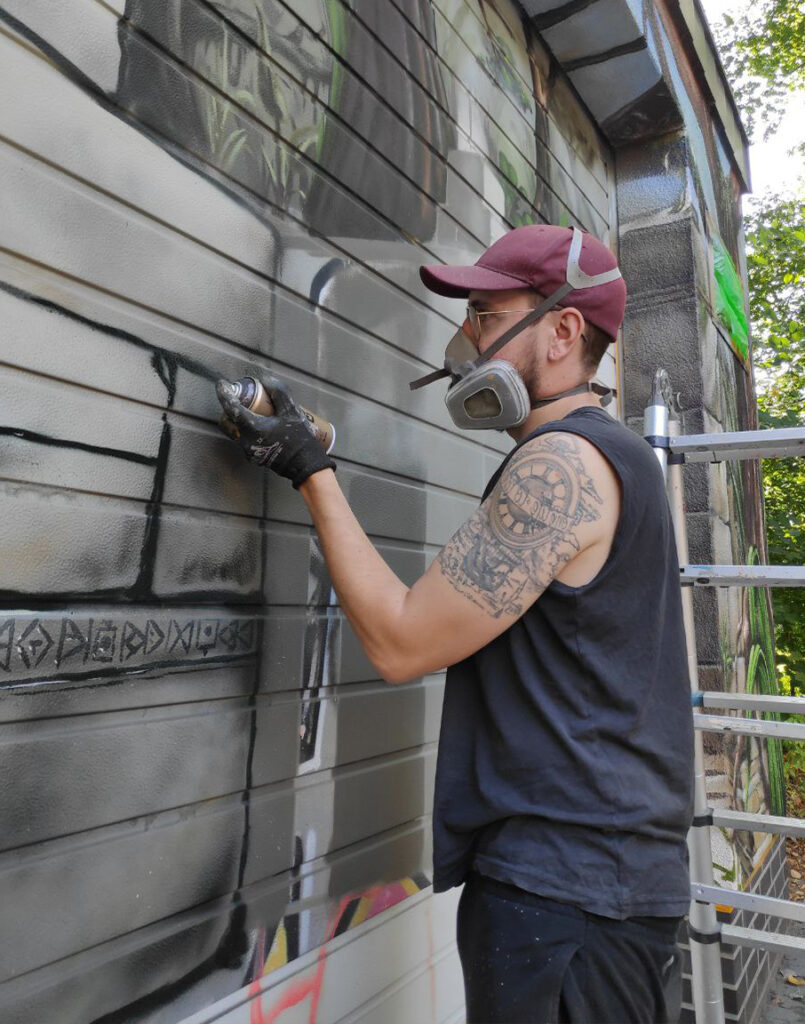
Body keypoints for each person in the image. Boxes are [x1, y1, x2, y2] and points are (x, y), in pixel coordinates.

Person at [216, 224, 694, 1024]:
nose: (460, 342)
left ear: (562, 329)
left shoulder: (560, 467)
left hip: (568, 896)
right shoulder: (610, 459)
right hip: (591, 885)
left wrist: (308, 468)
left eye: (482, 314)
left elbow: (401, 642)